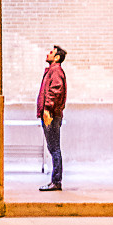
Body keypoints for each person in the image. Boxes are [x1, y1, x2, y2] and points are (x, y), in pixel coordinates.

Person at [37, 44, 68, 190]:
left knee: (54, 148)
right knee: (53, 148)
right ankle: (55, 181)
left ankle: (56, 181)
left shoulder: (55, 71)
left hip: (51, 115)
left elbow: (55, 91)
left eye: (51, 52)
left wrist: (47, 110)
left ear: (57, 57)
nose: (47, 54)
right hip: (51, 114)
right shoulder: (53, 71)